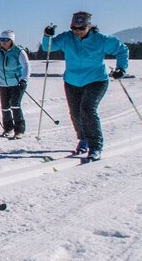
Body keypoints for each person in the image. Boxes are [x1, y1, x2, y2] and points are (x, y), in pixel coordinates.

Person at [43, 11, 129, 163]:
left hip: (96, 80)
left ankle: (95, 146)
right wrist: (47, 35)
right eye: (74, 28)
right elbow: (47, 48)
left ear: (89, 26)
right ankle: (83, 139)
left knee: (88, 109)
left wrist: (121, 68)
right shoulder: (67, 38)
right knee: (75, 113)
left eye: (81, 28)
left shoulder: (101, 40)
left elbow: (122, 50)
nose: (78, 31)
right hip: (72, 81)